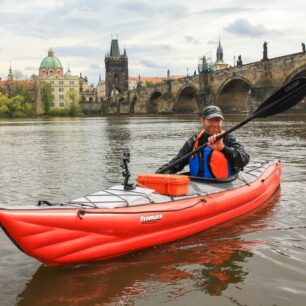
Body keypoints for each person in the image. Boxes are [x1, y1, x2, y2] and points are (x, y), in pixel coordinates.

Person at [156, 105, 250, 178]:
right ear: (202, 121)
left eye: (217, 120)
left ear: (222, 122)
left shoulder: (228, 138)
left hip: (223, 185)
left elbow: (244, 159)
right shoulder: (194, 141)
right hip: (199, 185)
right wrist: (157, 175)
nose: (214, 124)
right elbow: (176, 163)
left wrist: (223, 148)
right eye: (210, 120)